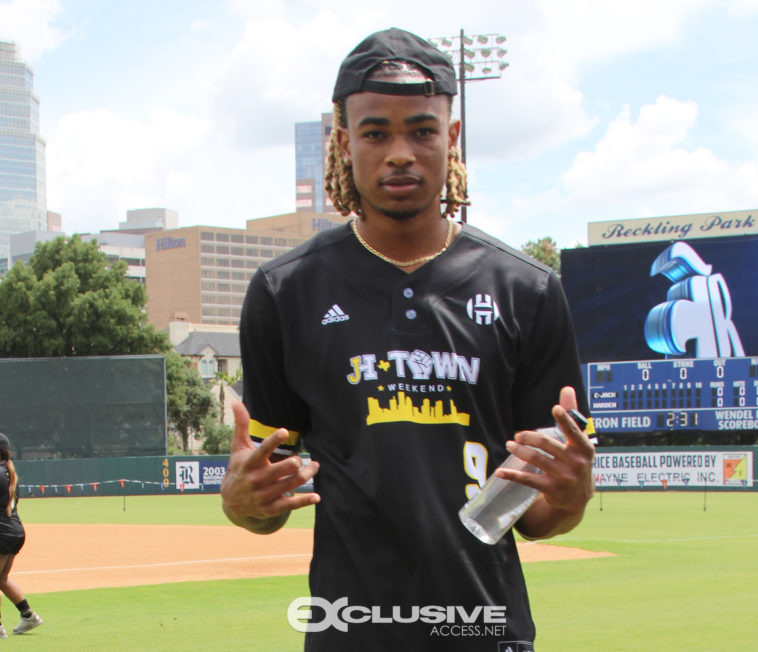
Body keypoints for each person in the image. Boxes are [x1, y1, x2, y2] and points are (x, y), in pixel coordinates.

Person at [221, 27, 595, 651]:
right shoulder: (285, 291)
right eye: (375, 132)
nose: (400, 152)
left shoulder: (527, 290)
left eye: (422, 130)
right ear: (343, 141)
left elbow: (537, 515)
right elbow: (267, 500)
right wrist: (240, 501)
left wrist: (573, 497)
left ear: (450, 138)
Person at [0, 433, 43, 637]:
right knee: (2, 578)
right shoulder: (9, 472)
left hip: (2, 531)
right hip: (14, 530)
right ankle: (28, 616)